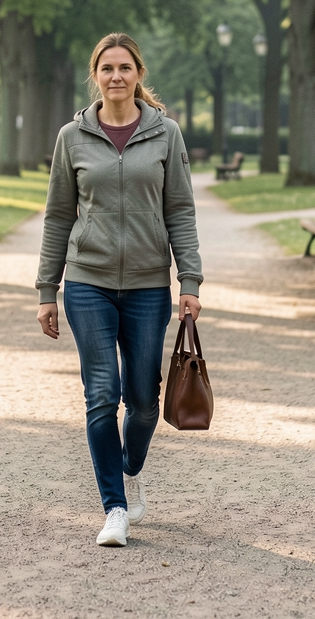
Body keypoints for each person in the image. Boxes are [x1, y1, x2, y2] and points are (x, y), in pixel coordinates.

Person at [35, 32, 204, 547]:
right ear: (95, 75)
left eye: (124, 68)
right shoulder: (73, 137)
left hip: (149, 286)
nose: (115, 76)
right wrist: (47, 289)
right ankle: (114, 506)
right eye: (106, 68)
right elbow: (59, 215)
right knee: (102, 394)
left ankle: (130, 467)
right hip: (88, 282)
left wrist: (189, 280)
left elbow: (180, 209)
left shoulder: (166, 134)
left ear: (138, 74)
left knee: (144, 400)